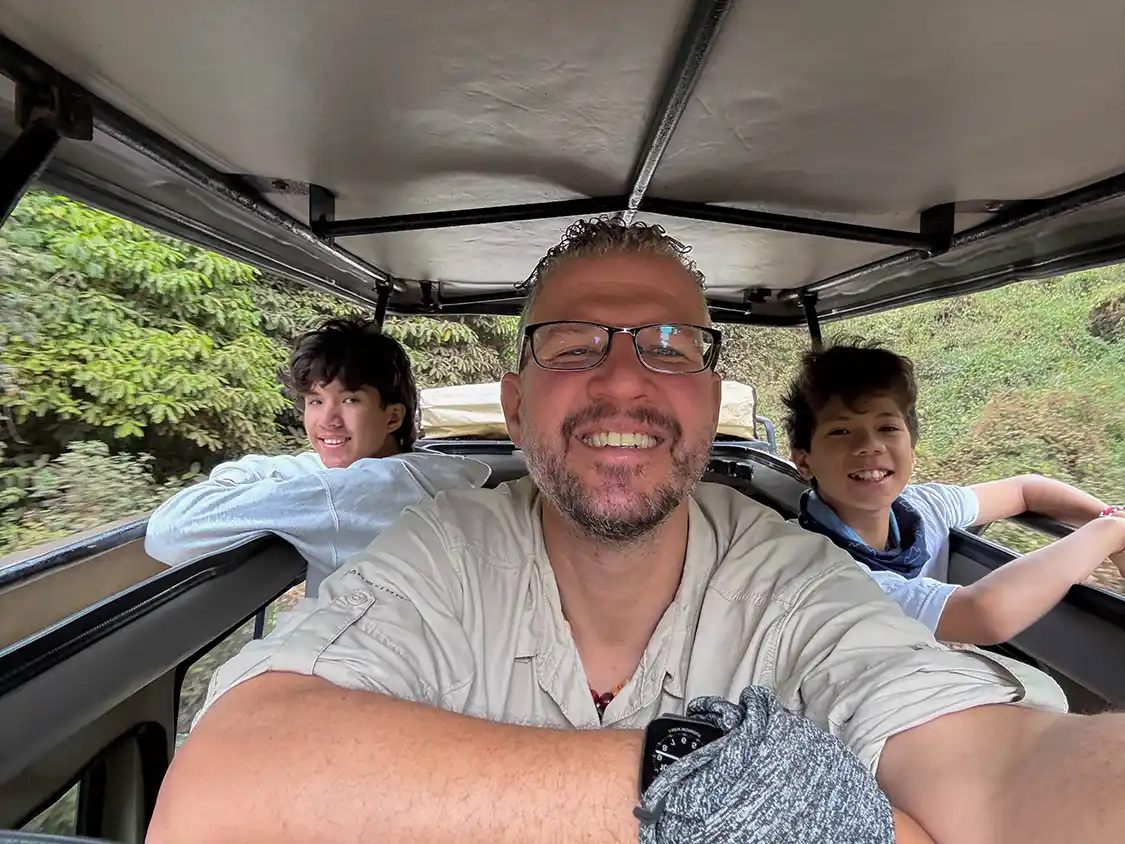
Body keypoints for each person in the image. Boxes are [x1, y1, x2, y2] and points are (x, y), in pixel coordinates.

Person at [149, 218, 1125, 844]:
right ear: (518, 402)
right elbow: (218, 794)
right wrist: (716, 782)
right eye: (577, 345)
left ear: (708, 402)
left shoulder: (794, 581)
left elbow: (998, 771)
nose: (623, 381)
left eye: (668, 349)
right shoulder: (445, 551)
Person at [782, 339, 1125, 645]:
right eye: (841, 431)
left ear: (912, 449)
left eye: (887, 427)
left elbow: (1026, 489)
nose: (870, 445)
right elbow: (984, 615)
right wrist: (1108, 533)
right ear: (804, 460)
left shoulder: (923, 506)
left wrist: (1109, 514)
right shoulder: (814, 561)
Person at [144, 316, 491, 596]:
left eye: (350, 399)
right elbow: (278, 469)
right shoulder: (409, 473)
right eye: (315, 401)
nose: (328, 420)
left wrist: (236, 485)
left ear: (393, 417)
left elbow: (169, 531)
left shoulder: (367, 490)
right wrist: (242, 478)